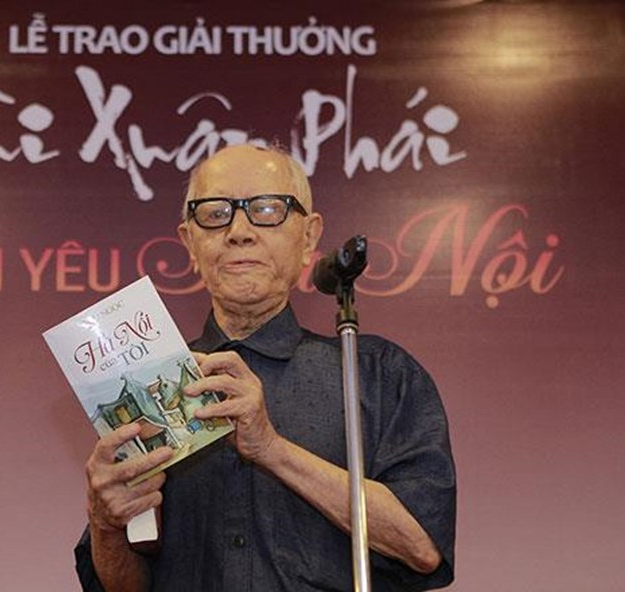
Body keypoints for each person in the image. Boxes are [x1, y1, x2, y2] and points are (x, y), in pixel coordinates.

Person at [74, 144, 456, 591]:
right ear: (189, 241)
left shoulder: (374, 373)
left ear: (309, 236)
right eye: (215, 213)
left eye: (267, 209)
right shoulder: (152, 384)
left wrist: (271, 448)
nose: (239, 231)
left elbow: (422, 546)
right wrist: (105, 524)